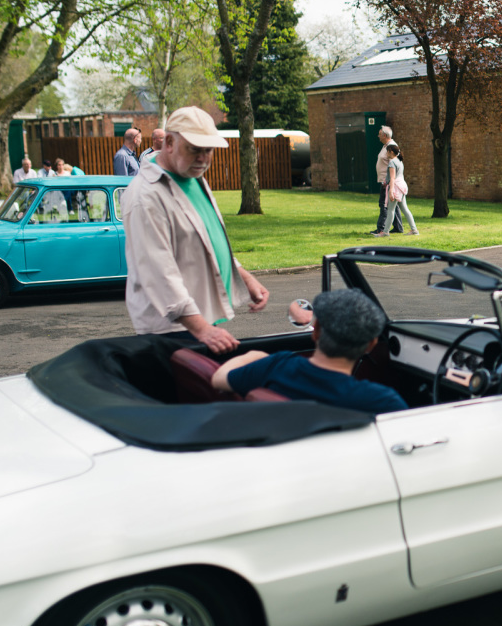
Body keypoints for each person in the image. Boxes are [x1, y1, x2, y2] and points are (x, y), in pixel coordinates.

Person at [121, 106, 269, 354]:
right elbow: (158, 274)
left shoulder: (192, 175)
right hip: (172, 332)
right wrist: (202, 329)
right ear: (168, 142)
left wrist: (245, 276)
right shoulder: (144, 196)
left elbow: (208, 237)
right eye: (194, 149)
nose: (203, 158)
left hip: (200, 322)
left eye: (208, 150)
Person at [211, 288, 409, 414]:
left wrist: (253, 355)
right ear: (371, 345)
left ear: (316, 332)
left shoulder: (278, 366)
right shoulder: (382, 401)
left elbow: (218, 378)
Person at [373, 144, 418, 236]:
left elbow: (392, 178)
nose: (386, 153)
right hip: (402, 186)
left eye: (387, 151)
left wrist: (391, 191)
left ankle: (385, 232)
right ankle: (414, 230)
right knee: (405, 209)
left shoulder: (392, 162)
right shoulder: (399, 161)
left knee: (390, 210)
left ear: (391, 152)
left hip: (396, 187)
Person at [373, 125, 403, 234]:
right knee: (392, 205)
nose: (378, 136)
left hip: (388, 181)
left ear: (385, 135)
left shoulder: (391, 146)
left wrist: (390, 181)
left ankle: (381, 229)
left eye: (380, 134)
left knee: (384, 204)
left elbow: (397, 163)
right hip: (385, 180)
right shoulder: (386, 146)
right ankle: (398, 228)